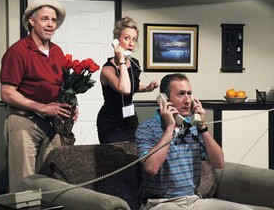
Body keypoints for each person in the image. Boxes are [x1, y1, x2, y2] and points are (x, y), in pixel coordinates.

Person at [135, 73, 253, 210]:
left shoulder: (193, 127)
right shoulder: (147, 128)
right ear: (164, 100)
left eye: (189, 94)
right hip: (161, 203)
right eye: (181, 94)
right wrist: (169, 127)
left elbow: (219, 163)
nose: (187, 100)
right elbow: (151, 168)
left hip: (194, 200)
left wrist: (202, 126)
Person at [0, 0, 75, 192]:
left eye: (53, 20)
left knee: (52, 179)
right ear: (31, 21)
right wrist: (42, 107)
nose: (50, 24)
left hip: (52, 123)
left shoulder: (57, 52)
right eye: (45, 19)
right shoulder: (18, 51)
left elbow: (62, 88)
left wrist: (71, 108)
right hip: (23, 120)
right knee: (24, 181)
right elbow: (7, 93)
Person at [97, 17, 159, 144]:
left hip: (130, 120)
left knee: (133, 155)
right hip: (110, 123)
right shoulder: (108, 69)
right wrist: (121, 60)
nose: (131, 43)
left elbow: (131, 86)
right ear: (116, 40)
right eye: (127, 38)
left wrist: (147, 88)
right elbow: (124, 89)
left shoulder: (134, 63)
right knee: (114, 160)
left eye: (134, 39)